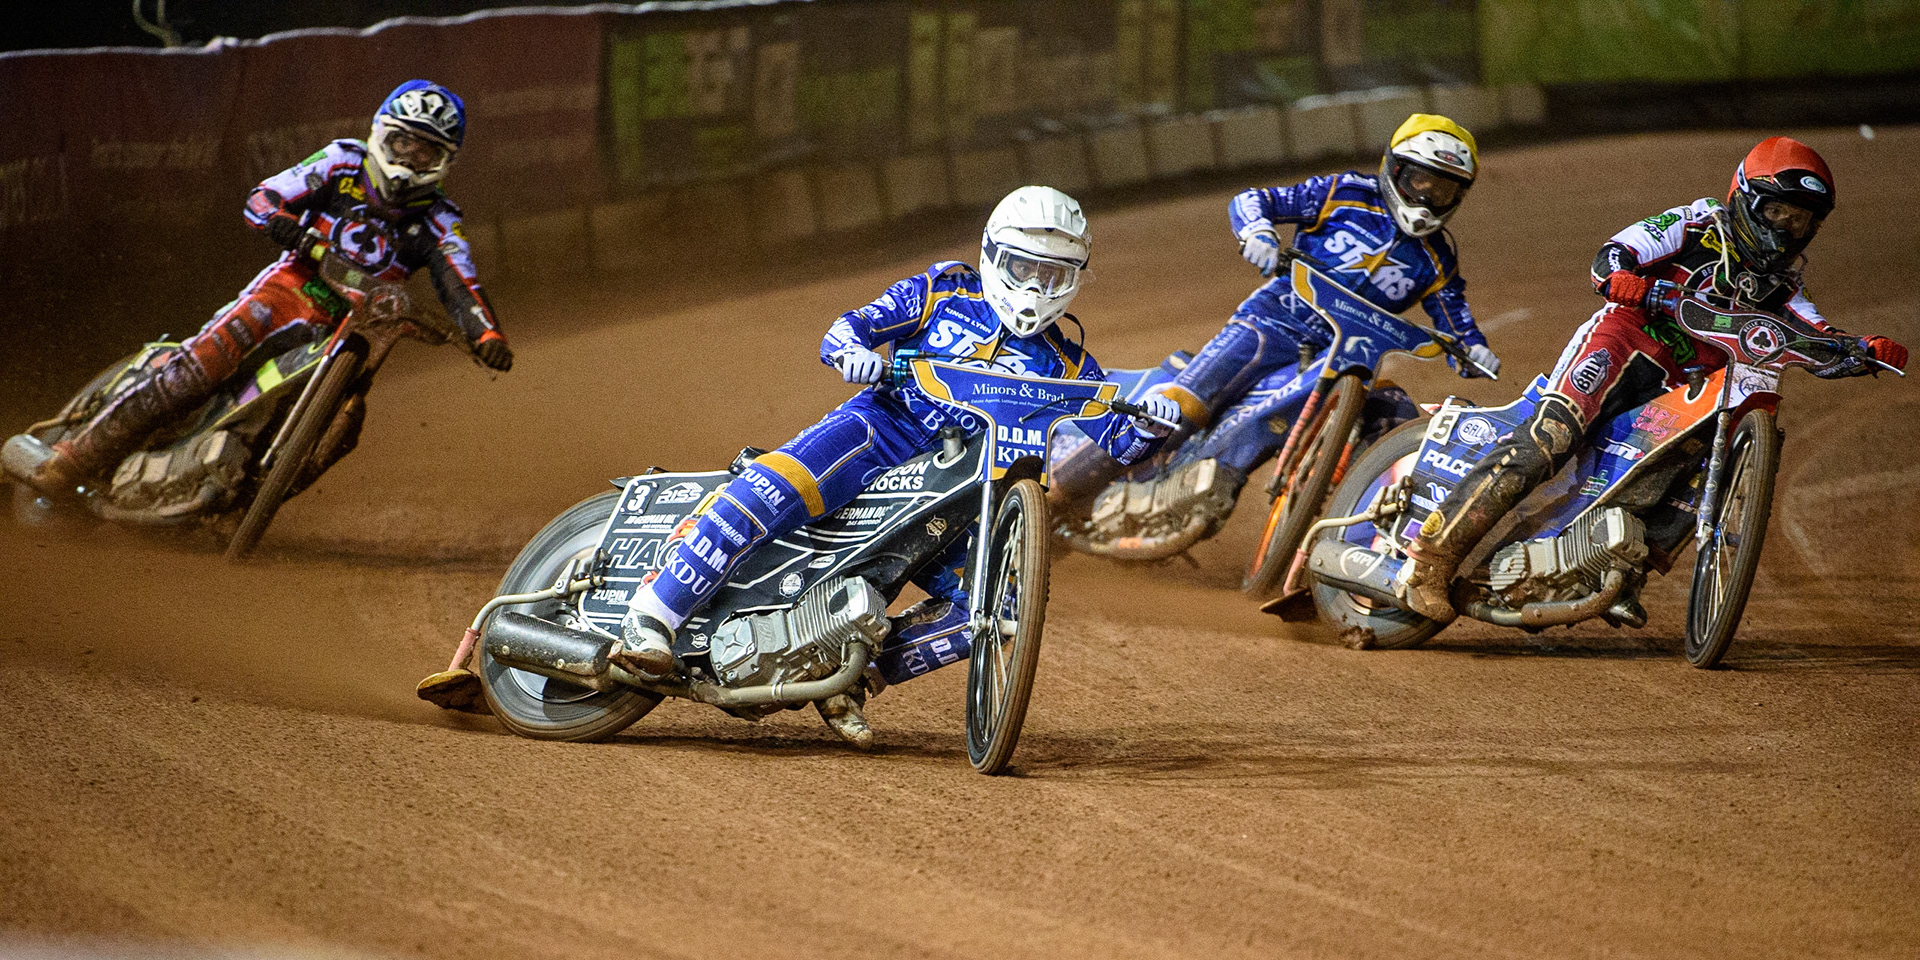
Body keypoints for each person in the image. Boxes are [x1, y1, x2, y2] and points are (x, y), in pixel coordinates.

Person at [610, 186, 1180, 745]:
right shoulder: (942, 291)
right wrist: (853, 353)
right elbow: (848, 328)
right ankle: (652, 617)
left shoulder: (1068, 364)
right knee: (773, 488)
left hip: (955, 492)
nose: (1034, 287)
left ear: (1074, 280)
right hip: (881, 430)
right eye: (1022, 267)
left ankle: (851, 680)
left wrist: (1153, 424)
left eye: (1051, 275)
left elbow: (1121, 444)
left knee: (1004, 605)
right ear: (991, 255)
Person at [1395, 136, 1909, 623]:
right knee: (1551, 436)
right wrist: (1622, 279)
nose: (1788, 229)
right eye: (1778, 212)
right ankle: (1430, 561)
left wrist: (1863, 350)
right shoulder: (1696, 223)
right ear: (1745, 198)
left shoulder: (1786, 286)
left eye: (1802, 220)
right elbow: (1616, 253)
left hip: (1682, 384)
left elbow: (1818, 335)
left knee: (1693, 466)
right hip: (1624, 341)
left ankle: (1613, 570)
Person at [9, 79, 512, 500]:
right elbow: (264, 196)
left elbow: (461, 282)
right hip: (291, 289)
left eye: (426, 151)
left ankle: (238, 492)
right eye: (404, 143)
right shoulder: (342, 161)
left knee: (346, 427)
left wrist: (487, 336)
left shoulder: (441, 220)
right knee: (204, 364)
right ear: (383, 134)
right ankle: (71, 459)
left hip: (354, 328)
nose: (411, 158)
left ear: (445, 160)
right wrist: (288, 227)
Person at [1049, 113, 1499, 516]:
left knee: (1393, 413)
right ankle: (1058, 494)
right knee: (1181, 406)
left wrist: (1473, 349)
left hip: (1345, 358)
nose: (1427, 197)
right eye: (1420, 181)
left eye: (1443, 189)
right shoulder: (1344, 194)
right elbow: (1255, 200)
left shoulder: (1438, 259)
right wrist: (1258, 233)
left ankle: (1353, 534)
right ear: (1394, 170)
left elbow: (1455, 318)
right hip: (1273, 322)